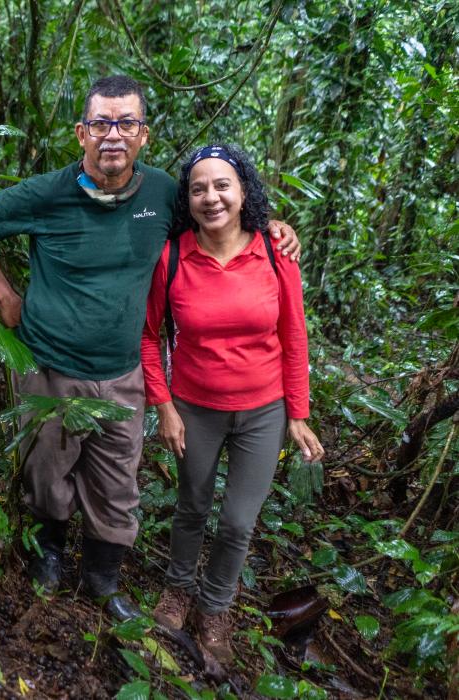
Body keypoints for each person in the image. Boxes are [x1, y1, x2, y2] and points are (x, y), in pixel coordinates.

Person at [0, 75, 300, 620]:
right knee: (46, 473)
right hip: (50, 366)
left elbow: (223, 219)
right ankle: (47, 557)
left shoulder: (164, 193)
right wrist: (4, 297)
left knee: (117, 485)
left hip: (122, 373)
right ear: (81, 133)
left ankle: (103, 579)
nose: (112, 135)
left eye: (126, 123)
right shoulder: (48, 192)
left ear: (143, 136)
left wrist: (273, 227)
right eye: (101, 123)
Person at [141, 144, 324, 675]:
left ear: (244, 191)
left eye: (223, 185)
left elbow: (293, 335)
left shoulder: (273, 252)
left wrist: (297, 412)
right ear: (188, 198)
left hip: (263, 410)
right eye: (199, 188)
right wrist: (165, 406)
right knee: (192, 507)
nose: (211, 197)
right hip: (195, 407)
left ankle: (215, 609)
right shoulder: (172, 256)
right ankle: (177, 592)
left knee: (239, 522)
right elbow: (149, 337)